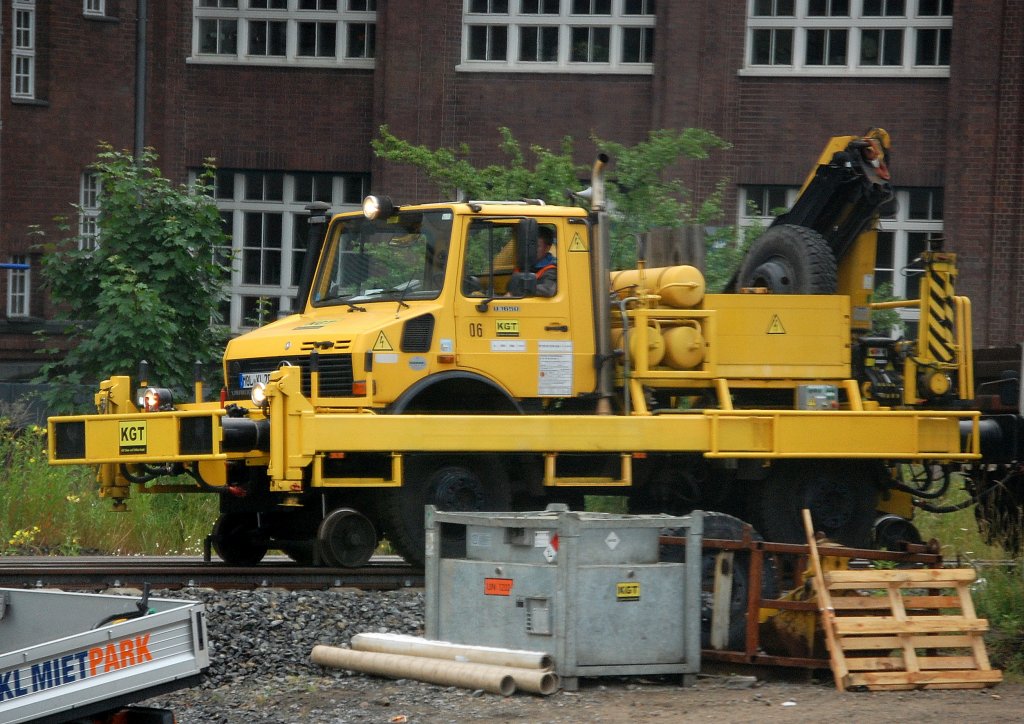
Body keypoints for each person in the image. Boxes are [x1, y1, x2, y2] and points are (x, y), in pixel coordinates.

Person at [532, 226, 557, 297]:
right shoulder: (524, 264)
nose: (531, 250)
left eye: (536, 246)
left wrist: (520, 289)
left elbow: (548, 290)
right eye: (529, 246)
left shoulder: (552, 270)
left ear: (547, 248)